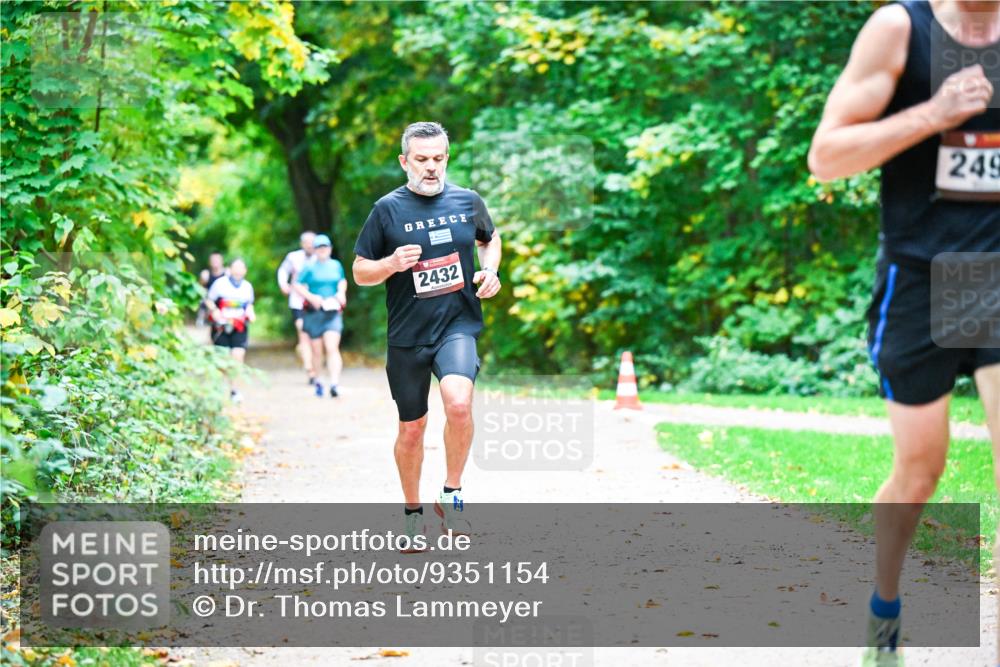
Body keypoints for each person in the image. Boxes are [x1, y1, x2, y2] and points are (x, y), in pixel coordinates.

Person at [807, 1, 999, 664]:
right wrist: (934, 114)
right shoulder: (900, 29)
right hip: (920, 277)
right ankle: (884, 604)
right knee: (921, 470)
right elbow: (825, 157)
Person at [352, 121, 502, 551]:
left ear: (447, 159)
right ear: (404, 162)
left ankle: (452, 495)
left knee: (458, 403)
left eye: (439, 158)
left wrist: (490, 271)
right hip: (408, 334)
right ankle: (412, 513)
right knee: (412, 429)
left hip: (457, 324)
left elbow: (490, 239)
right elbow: (361, 271)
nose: (431, 167)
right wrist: (391, 264)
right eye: (422, 159)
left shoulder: (467, 201)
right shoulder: (387, 210)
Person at [292, 234, 347, 398]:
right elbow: (297, 285)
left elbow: (342, 281)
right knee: (317, 351)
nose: (322, 250)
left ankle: (335, 383)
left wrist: (341, 293)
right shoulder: (308, 267)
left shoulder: (336, 265)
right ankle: (318, 381)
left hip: (332, 311)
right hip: (313, 312)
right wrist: (311, 297)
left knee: (332, 347)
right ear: (314, 250)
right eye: (319, 248)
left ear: (330, 249)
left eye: (325, 247)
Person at [205, 258, 256, 403]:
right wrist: (214, 310)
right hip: (220, 327)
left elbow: (249, 305)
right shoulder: (220, 284)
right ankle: (218, 389)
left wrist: (251, 313)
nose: (238, 271)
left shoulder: (247, 287)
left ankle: (234, 390)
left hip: (239, 326)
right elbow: (209, 300)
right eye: (236, 267)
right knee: (221, 359)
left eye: (241, 268)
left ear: (245, 271)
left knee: (238, 356)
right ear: (230, 269)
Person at [277, 232, 317, 384]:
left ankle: (313, 365)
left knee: (315, 337)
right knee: (303, 332)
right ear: (302, 244)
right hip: (297, 301)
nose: (309, 245)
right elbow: (282, 271)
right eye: (306, 242)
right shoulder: (293, 257)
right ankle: (310, 370)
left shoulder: (319, 258)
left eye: (312, 242)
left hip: (315, 301)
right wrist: (283, 285)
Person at [196, 251, 226, 327]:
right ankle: (201, 319)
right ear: (210, 262)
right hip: (209, 299)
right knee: (203, 300)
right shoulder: (206, 273)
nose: (215, 262)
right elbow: (200, 288)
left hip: (223, 298)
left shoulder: (227, 273)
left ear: (222, 261)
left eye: (217, 260)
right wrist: (203, 280)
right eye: (213, 260)